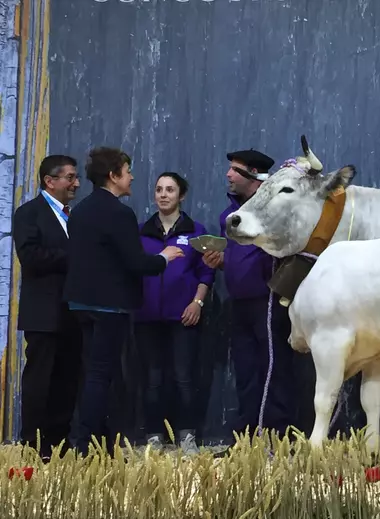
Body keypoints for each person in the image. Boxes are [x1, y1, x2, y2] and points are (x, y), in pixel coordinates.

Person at [63, 147, 184, 456]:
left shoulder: (80, 210)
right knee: (102, 375)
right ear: (113, 176)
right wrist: (164, 258)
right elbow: (136, 263)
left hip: (80, 304)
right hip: (109, 307)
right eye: (127, 171)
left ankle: (95, 441)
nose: (131, 177)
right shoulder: (119, 213)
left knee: (91, 373)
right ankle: (86, 445)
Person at [202, 149, 297, 441]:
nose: (228, 175)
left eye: (235, 169)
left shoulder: (273, 209)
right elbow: (235, 255)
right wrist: (220, 261)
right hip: (239, 301)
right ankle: (247, 436)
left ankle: (278, 436)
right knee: (245, 371)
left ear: (253, 176)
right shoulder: (229, 214)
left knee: (272, 367)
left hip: (267, 299)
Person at [134, 171, 215, 454]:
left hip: (184, 316)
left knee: (184, 377)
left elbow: (207, 272)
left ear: (181, 195)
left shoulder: (196, 231)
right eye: (159, 189)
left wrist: (197, 303)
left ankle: (187, 436)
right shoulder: (141, 231)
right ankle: (154, 436)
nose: (163, 195)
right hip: (147, 317)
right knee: (152, 379)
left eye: (170, 190)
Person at [12, 155, 83, 459]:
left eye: (76, 177)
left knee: (68, 378)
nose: (76, 184)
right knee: (40, 378)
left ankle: (60, 441)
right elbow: (31, 257)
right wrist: (76, 256)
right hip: (43, 312)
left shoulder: (76, 217)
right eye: (69, 177)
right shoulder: (28, 213)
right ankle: (33, 443)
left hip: (74, 310)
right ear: (49, 181)